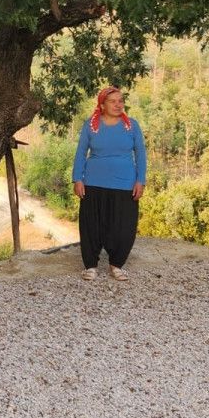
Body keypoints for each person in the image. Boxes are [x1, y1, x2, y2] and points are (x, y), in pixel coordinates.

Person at [71, 87, 146, 282]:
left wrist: (141, 181)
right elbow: (81, 154)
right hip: (94, 183)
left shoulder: (132, 126)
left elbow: (141, 155)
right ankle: (91, 266)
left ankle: (116, 265)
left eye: (120, 101)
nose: (118, 104)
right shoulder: (91, 126)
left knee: (123, 227)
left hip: (125, 185)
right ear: (102, 104)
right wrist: (77, 178)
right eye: (113, 101)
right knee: (91, 226)